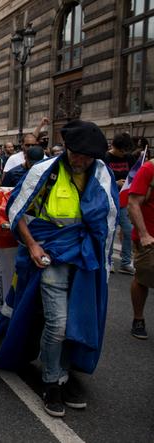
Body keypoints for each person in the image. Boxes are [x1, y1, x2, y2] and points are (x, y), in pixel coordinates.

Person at [0, 120, 117, 418]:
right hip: (52, 254)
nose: (81, 161)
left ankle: (63, 374)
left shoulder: (102, 174)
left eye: (88, 158)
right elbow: (16, 210)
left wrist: (106, 264)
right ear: (66, 149)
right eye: (76, 154)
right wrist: (33, 246)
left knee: (78, 319)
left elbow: (110, 219)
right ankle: (51, 382)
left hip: (86, 258)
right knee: (58, 323)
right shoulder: (43, 172)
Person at [127, 156, 154, 339]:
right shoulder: (148, 169)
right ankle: (138, 318)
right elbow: (133, 203)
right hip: (149, 238)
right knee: (143, 279)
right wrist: (144, 234)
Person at [105, 133, 136, 274]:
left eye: (125, 151)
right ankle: (108, 260)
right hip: (109, 200)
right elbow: (101, 178)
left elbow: (134, 174)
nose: (123, 154)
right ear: (114, 147)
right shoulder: (105, 158)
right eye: (121, 150)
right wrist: (115, 183)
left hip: (124, 200)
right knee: (110, 230)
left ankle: (125, 262)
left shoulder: (129, 158)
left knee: (128, 230)